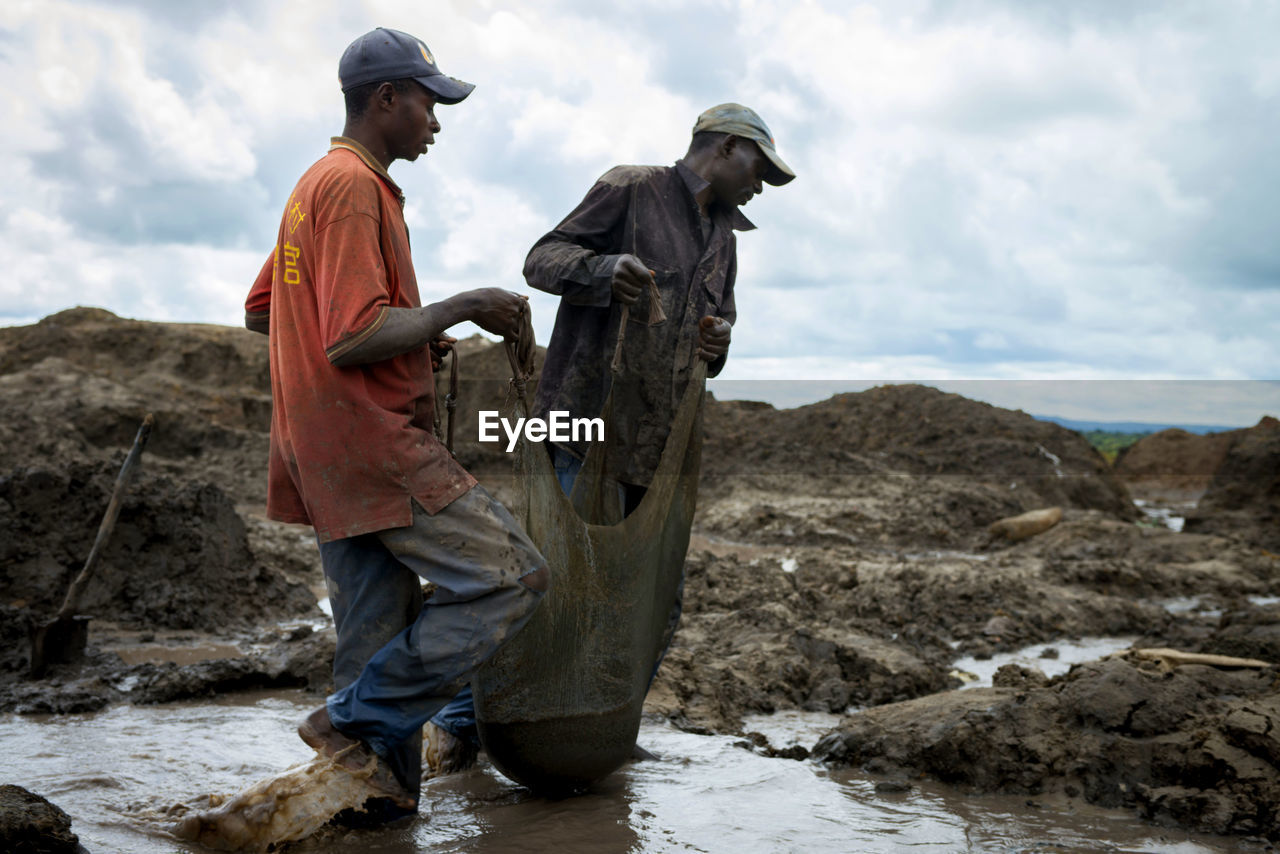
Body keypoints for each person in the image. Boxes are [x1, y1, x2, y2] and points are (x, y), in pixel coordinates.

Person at [424, 103, 795, 771]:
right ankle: (459, 723)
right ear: (726, 148)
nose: (762, 185)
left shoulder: (726, 240)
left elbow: (718, 333)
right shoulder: (632, 188)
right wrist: (604, 271)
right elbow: (542, 260)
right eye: (759, 168)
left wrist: (720, 341)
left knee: (647, 598)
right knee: (547, 580)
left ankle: (600, 723)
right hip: (580, 422)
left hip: (654, 447)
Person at [244, 27, 550, 819]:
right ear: (386, 99)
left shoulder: (312, 186)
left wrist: (412, 340)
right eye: (429, 103)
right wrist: (462, 307)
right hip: (373, 444)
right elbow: (348, 335)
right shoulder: (353, 187)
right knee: (512, 576)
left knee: (374, 639)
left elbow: (266, 311)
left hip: (322, 454)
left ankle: (375, 810)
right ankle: (343, 723)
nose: (436, 122)